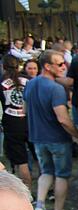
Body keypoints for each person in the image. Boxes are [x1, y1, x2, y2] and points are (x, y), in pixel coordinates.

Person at [24, 49, 78, 210]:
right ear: (47, 66)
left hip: (37, 137)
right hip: (57, 139)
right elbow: (63, 119)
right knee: (62, 175)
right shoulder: (56, 89)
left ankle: (40, 205)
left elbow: (26, 110)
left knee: (45, 171)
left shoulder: (30, 84)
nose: (63, 66)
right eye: (59, 64)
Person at [1, 55, 33, 189]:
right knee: (40, 157)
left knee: (21, 162)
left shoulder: (2, 82)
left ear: (3, 67)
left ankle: (28, 193)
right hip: (30, 121)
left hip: (12, 123)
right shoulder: (29, 80)